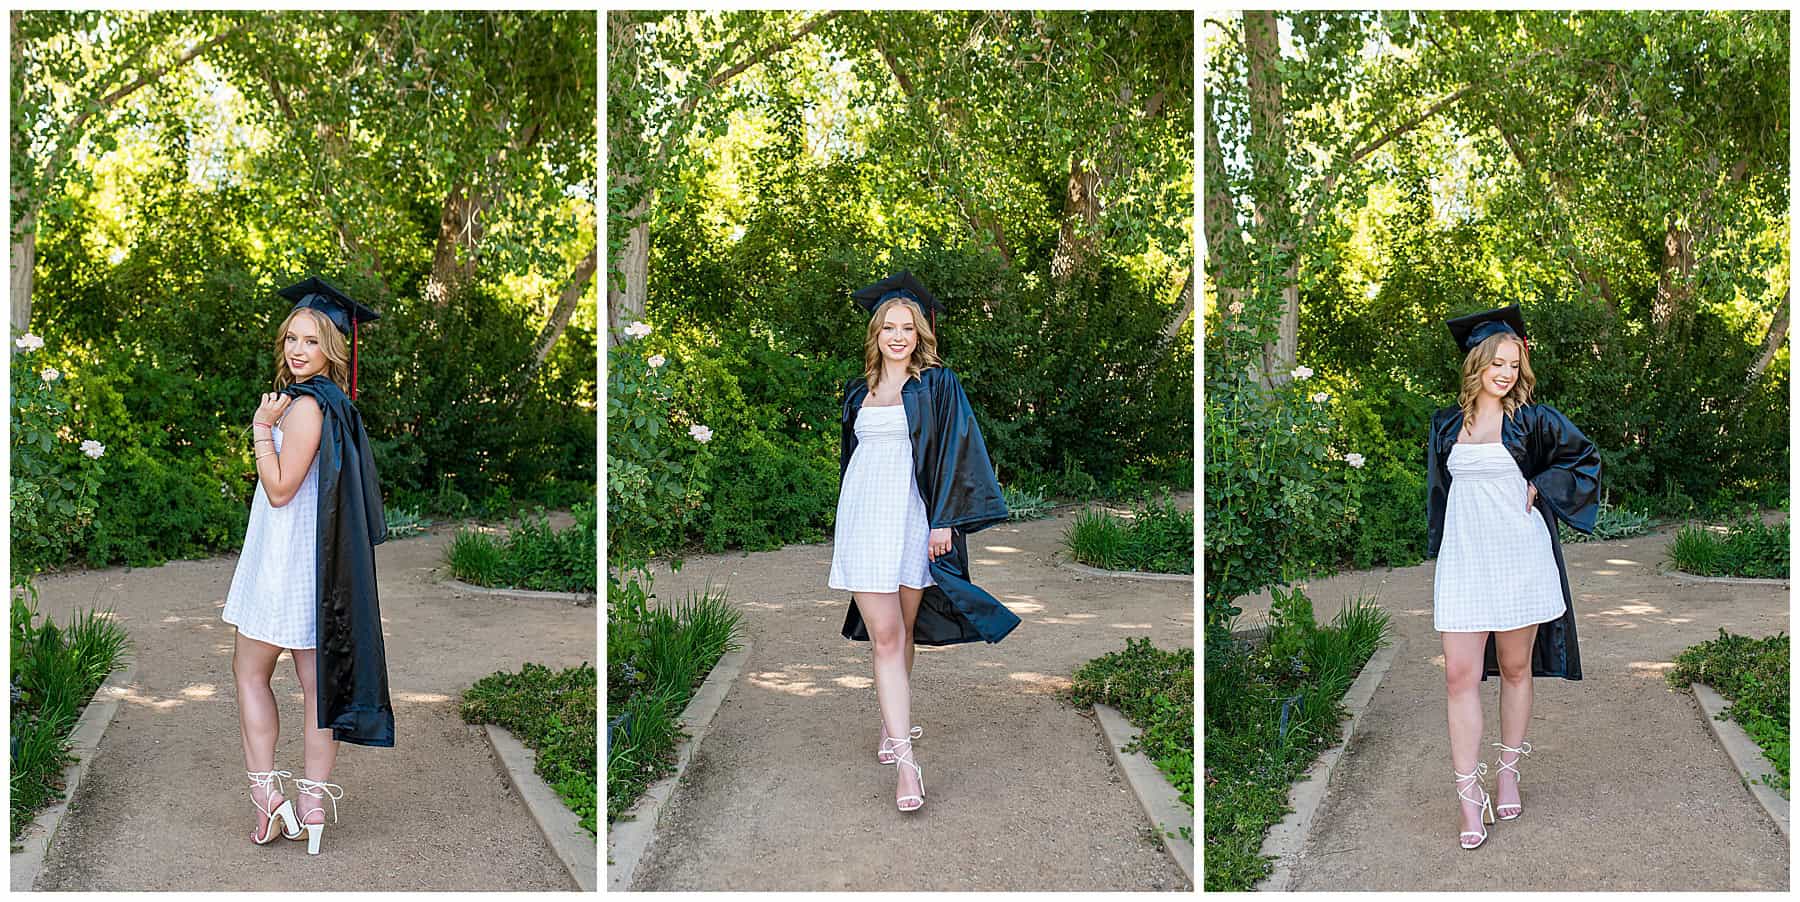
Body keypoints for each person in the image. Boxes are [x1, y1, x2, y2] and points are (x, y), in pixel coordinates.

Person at [829, 270, 1018, 813]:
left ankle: (892, 727)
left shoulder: (938, 385)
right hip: (865, 521)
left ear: (919, 334)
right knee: (885, 635)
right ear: (875, 333)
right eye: (888, 326)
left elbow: (958, 454)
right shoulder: (857, 392)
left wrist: (945, 521)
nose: (896, 335)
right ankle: (907, 763)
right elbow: (854, 463)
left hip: (915, 520)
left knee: (905, 630)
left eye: (906, 327)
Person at [222, 276, 394, 855]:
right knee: (318, 688)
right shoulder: (337, 404)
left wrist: (261, 430)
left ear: (331, 350)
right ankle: (314, 802)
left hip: (288, 569)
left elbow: (279, 489)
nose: (297, 350)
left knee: (250, 673)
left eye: (311, 341)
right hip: (323, 566)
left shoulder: (301, 409)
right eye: (291, 338)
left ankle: (270, 799)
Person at [1427, 304, 1601, 850]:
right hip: (1465, 562)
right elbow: (1439, 498)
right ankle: (1467, 796)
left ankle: (1507, 769)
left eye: (1512, 362)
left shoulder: (1534, 420)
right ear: (1476, 364)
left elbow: (1585, 459)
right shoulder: (1445, 425)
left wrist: (1543, 484)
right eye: (1494, 362)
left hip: (1519, 559)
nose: (1504, 372)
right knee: (1458, 675)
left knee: (1515, 666)